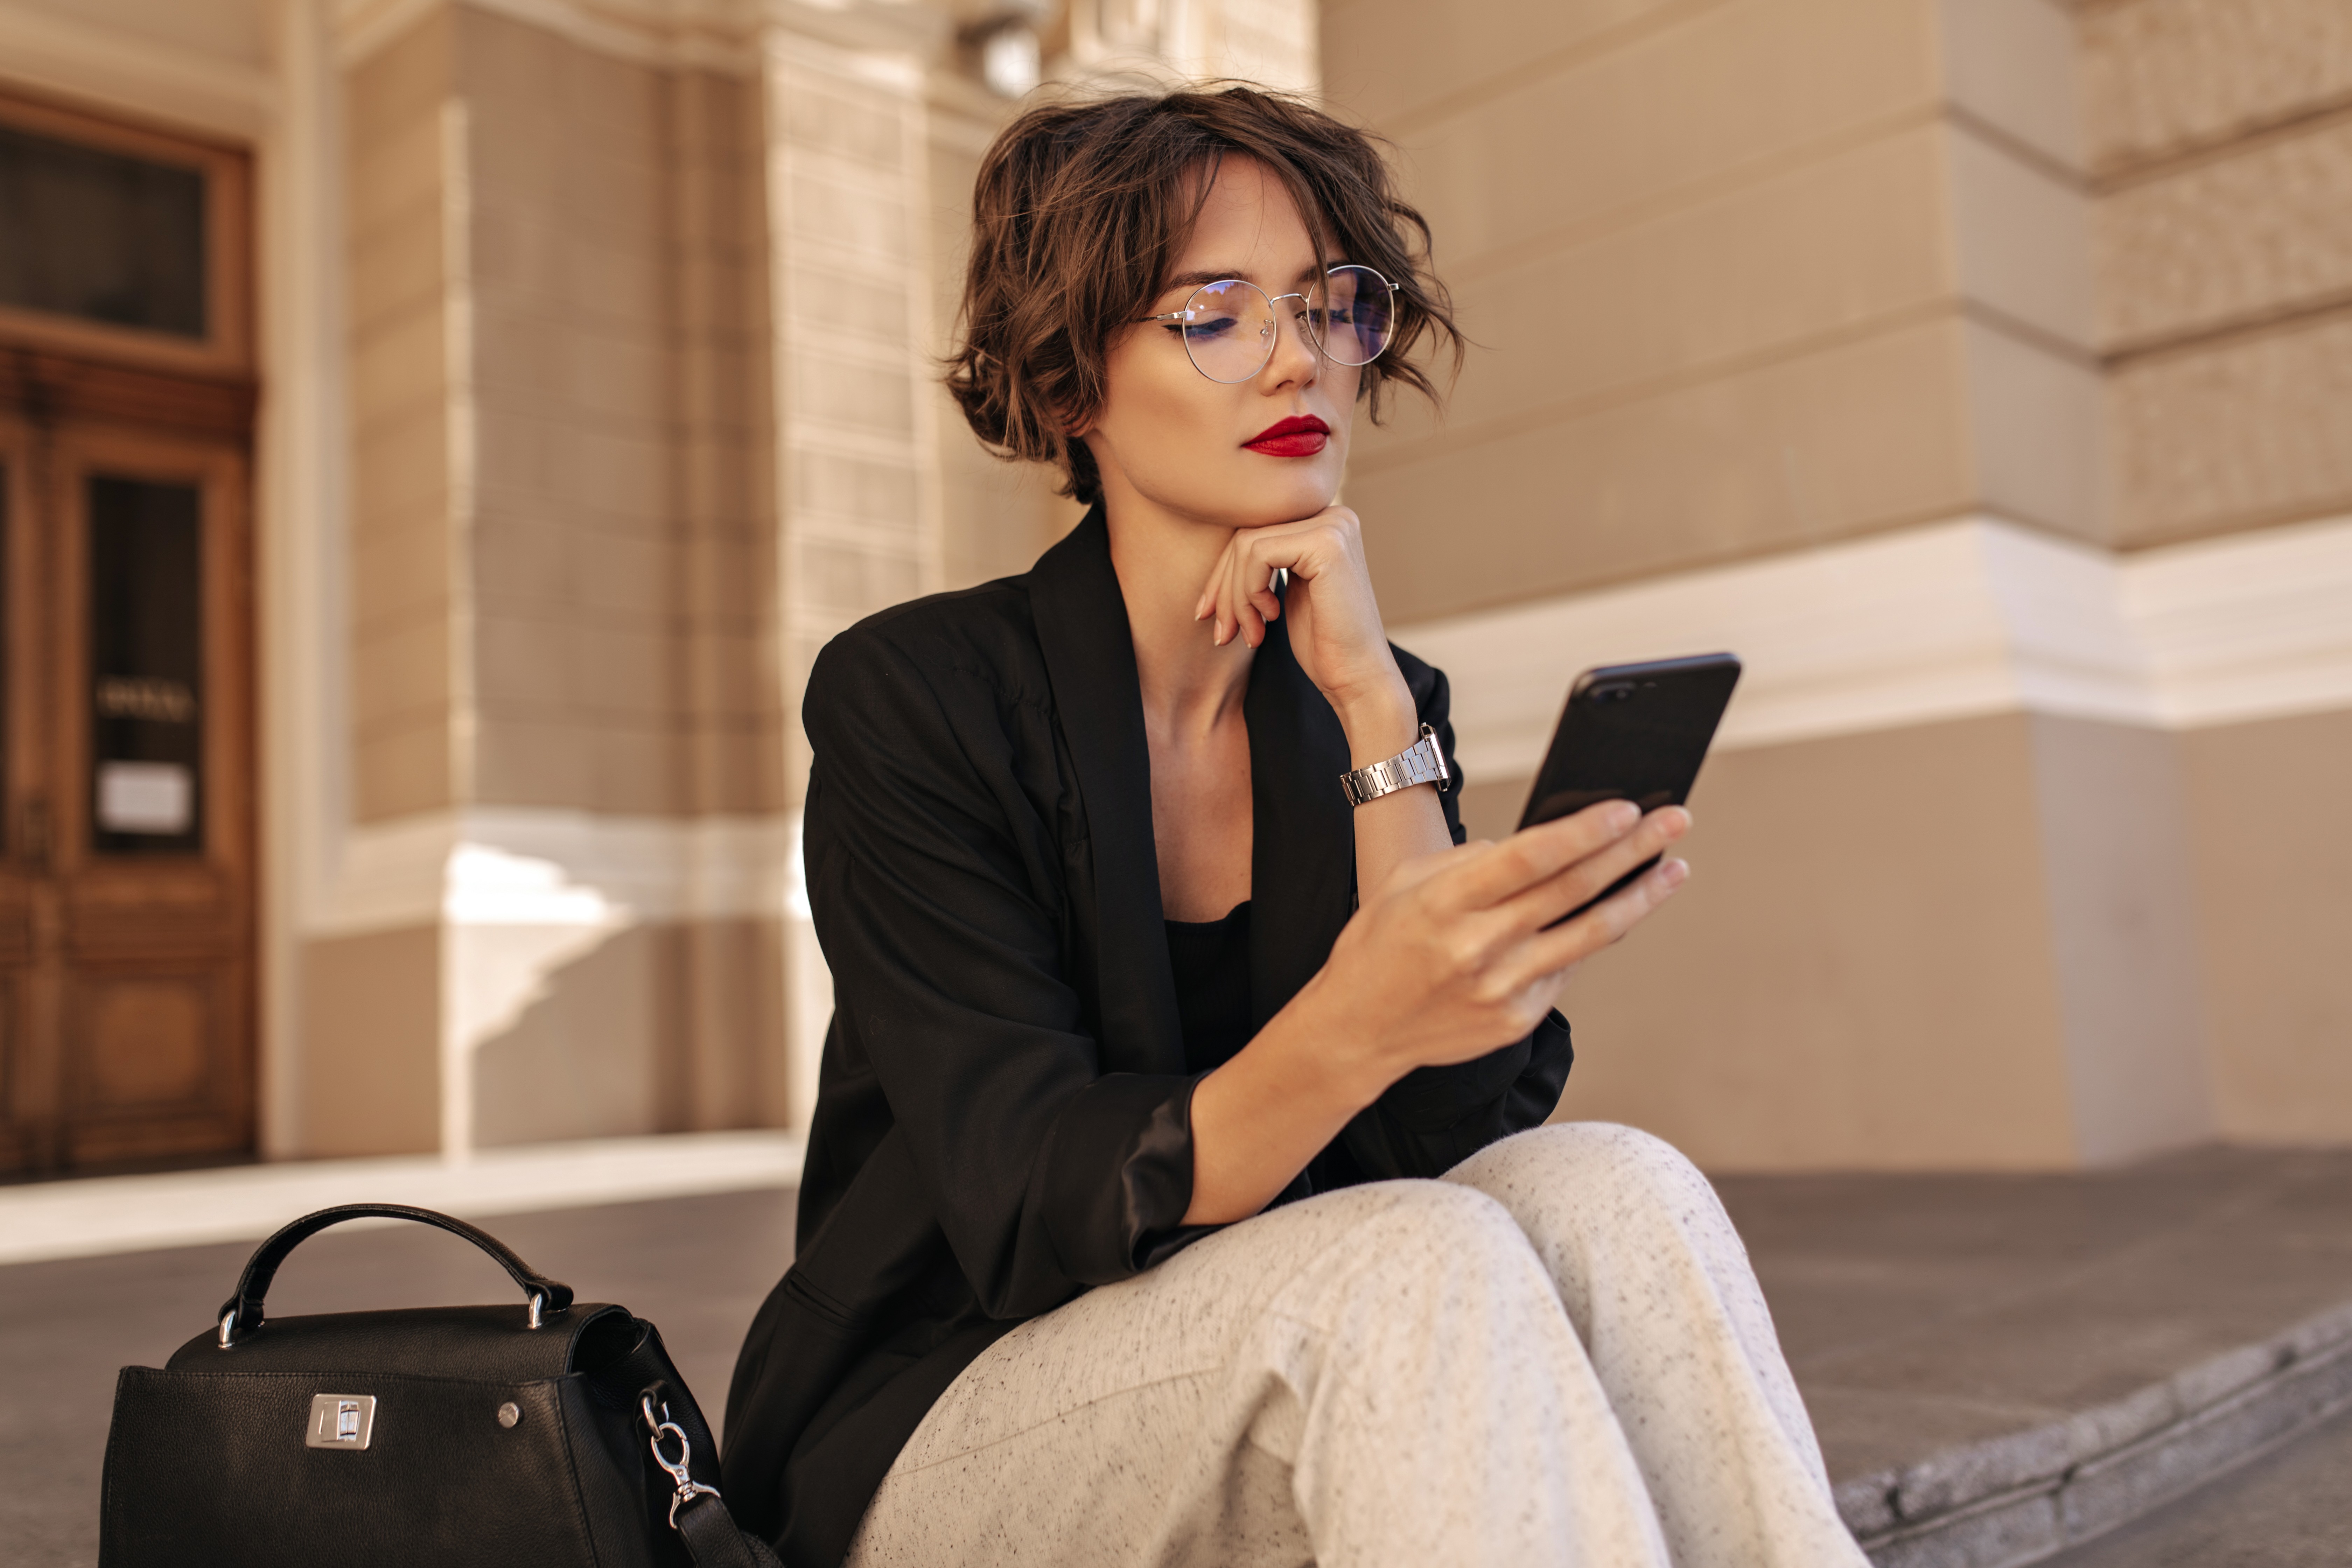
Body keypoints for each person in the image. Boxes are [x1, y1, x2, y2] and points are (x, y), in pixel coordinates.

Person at [722, 86, 1868, 1568]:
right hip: (954, 1410)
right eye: (1214, 313)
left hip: (1289, 1323)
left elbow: (1452, 1126)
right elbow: (1020, 1193)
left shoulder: (1367, 690)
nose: (1299, 357)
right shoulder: (921, 695)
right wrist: (1364, 1017)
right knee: (1413, 1255)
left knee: (1615, 1183)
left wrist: (1381, 715)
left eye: (1329, 303)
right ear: (1075, 384)